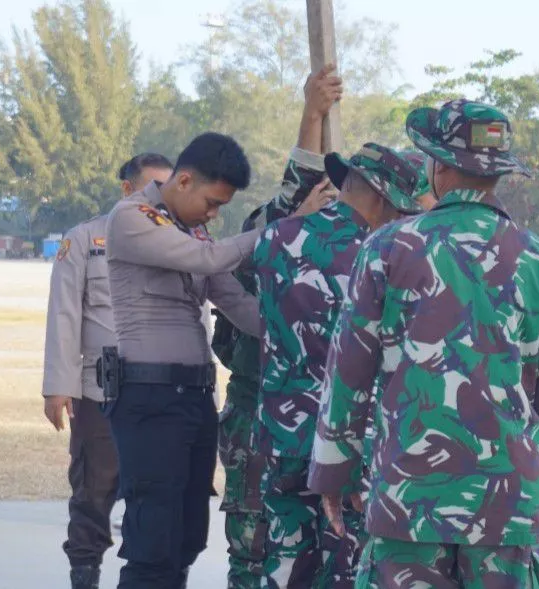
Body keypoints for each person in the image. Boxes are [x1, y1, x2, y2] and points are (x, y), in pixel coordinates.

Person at [307, 99, 539, 588]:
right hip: (511, 504)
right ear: (496, 174)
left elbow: (348, 373)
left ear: (437, 167)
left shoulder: (387, 248)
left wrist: (334, 475)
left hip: (407, 499)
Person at [104, 132, 278, 589]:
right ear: (183, 181)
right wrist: (279, 230)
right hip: (149, 398)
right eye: (213, 202)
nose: (215, 214)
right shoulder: (130, 218)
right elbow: (207, 259)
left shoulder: (192, 229)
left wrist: (299, 330)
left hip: (194, 398)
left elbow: (237, 304)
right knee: (152, 542)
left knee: (187, 536)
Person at [254, 143, 421, 588]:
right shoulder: (385, 254)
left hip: (282, 433)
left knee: (285, 563)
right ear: (383, 199)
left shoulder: (275, 238)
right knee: (349, 566)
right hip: (350, 442)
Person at [211, 66, 343, 589]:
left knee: (327, 554)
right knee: (253, 548)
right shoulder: (266, 234)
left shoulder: (356, 247)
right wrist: (311, 113)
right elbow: (296, 186)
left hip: (326, 418)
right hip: (257, 409)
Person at [42, 152, 173, 589]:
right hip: (101, 396)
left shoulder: (175, 241)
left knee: (154, 502)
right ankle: (85, 576)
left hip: (158, 398)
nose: (160, 198)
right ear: (126, 189)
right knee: (93, 497)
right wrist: (57, 388)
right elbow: (63, 314)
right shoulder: (84, 240)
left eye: (167, 189)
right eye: (152, 186)